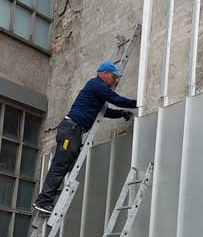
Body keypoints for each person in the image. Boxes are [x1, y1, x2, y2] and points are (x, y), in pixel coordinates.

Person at [33, 61, 137, 215]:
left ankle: (48, 197)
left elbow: (103, 112)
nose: (115, 80)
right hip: (71, 129)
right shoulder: (97, 84)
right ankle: (43, 201)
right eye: (114, 77)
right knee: (60, 165)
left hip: (74, 130)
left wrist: (121, 113)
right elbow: (116, 99)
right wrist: (138, 102)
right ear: (104, 74)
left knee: (67, 165)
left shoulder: (97, 90)